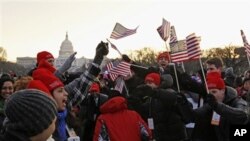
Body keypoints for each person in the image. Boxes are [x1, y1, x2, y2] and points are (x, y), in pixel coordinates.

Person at [29, 41, 109, 141]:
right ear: (49, 96)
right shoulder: (36, 126)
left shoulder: (65, 107)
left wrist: (98, 59)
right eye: (60, 91)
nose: (66, 93)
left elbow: (83, 83)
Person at [180, 72, 249, 141]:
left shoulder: (237, 101)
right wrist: (184, 104)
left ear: (222, 90)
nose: (212, 95)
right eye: (209, 93)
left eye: (214, 92)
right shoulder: (211, 105)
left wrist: (217, 106)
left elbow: (242, 116)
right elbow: (194, 116)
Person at [128, 72, 188, 141]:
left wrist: (154, 92)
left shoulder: (169, 92)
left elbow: (173, 98)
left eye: (150, 83)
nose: (147, 85)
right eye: (146, 83)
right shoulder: (150, 99)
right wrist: (134, 101)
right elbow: (144, 111)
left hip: (174, 134)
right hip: (160, 135)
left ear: (157, 84)